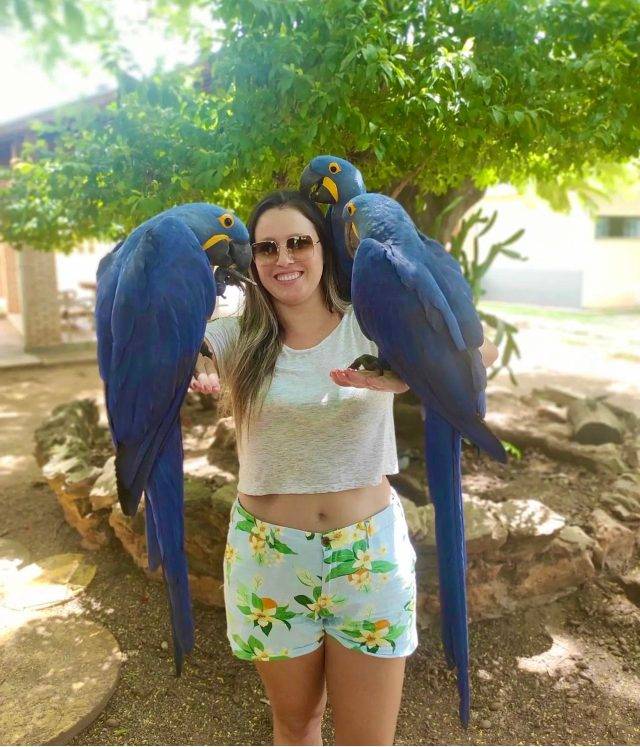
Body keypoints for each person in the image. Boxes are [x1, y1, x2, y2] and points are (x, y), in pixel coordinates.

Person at [189, 189, 498, 746]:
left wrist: (409, 377)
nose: (284, 258)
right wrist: (192, 364)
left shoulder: (371, 319)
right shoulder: (235, 333)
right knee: (296, 724)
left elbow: (482, 348)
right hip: (268, 559)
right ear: (251, 258)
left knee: (368, 740)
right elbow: (169, 348)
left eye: (299, 242)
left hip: (368, 556)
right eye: (267, 248)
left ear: (324, 247)